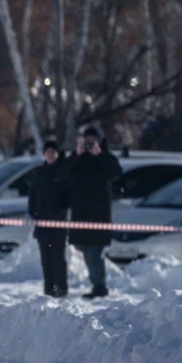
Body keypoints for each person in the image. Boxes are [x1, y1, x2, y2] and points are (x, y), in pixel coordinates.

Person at [65, 125, 122, 298]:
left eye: (94, 140)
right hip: (81, 213)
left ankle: (100, 286)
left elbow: (116, 173)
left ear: (100, 141)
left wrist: (100, 155)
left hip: (99, 214)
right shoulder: (79, 159)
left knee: (94, 252)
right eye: (88, 140)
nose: (90, 143)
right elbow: (63, 172)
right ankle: (98, 284)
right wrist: (76, 154)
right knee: (85, 250)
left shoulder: (107, 158)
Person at [28, 140, 71, 297]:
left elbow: (68, 198)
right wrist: (34, 214)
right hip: (42, 225)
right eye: (47, 152)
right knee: (45, 259)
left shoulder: (62, 173)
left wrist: (59, 213)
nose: (50, 155)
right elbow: (33, 196)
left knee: (58, 258)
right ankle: (49, 289)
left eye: (53, 152)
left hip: (58, 225)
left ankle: (61, 288)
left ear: (57, 154)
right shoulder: (40, 173)